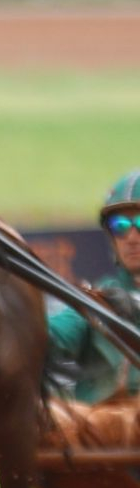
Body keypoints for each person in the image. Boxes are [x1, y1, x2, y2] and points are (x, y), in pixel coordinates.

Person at [48, 169, 140, 403]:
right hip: (105, 434)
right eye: (119, 225)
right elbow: (50, 336)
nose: (130, 236)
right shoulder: (98, 298)